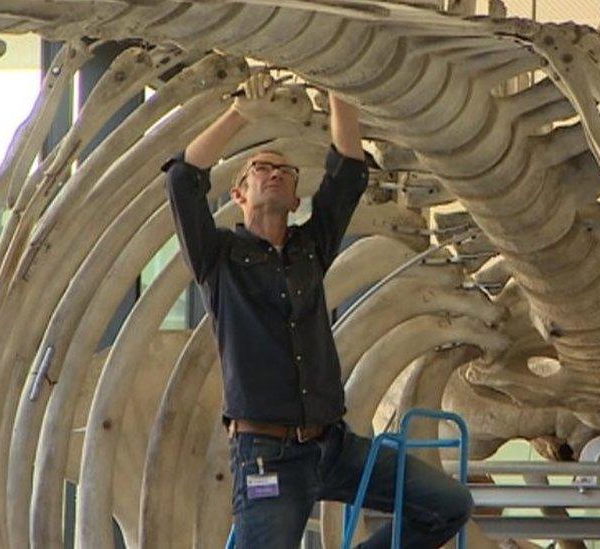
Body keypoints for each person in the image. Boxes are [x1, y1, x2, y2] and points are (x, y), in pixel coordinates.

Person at [162, 73, 473, 548]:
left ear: (295, 197)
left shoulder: (311, 248)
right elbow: (183, 179)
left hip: (334, 446)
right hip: (268, 457)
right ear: (239, 193)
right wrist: (240, 114)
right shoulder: (217, 259)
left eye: (286, 173)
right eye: (262, 168)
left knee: (448, 505)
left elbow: (348, 170)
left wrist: (339, 83)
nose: (276, 174)